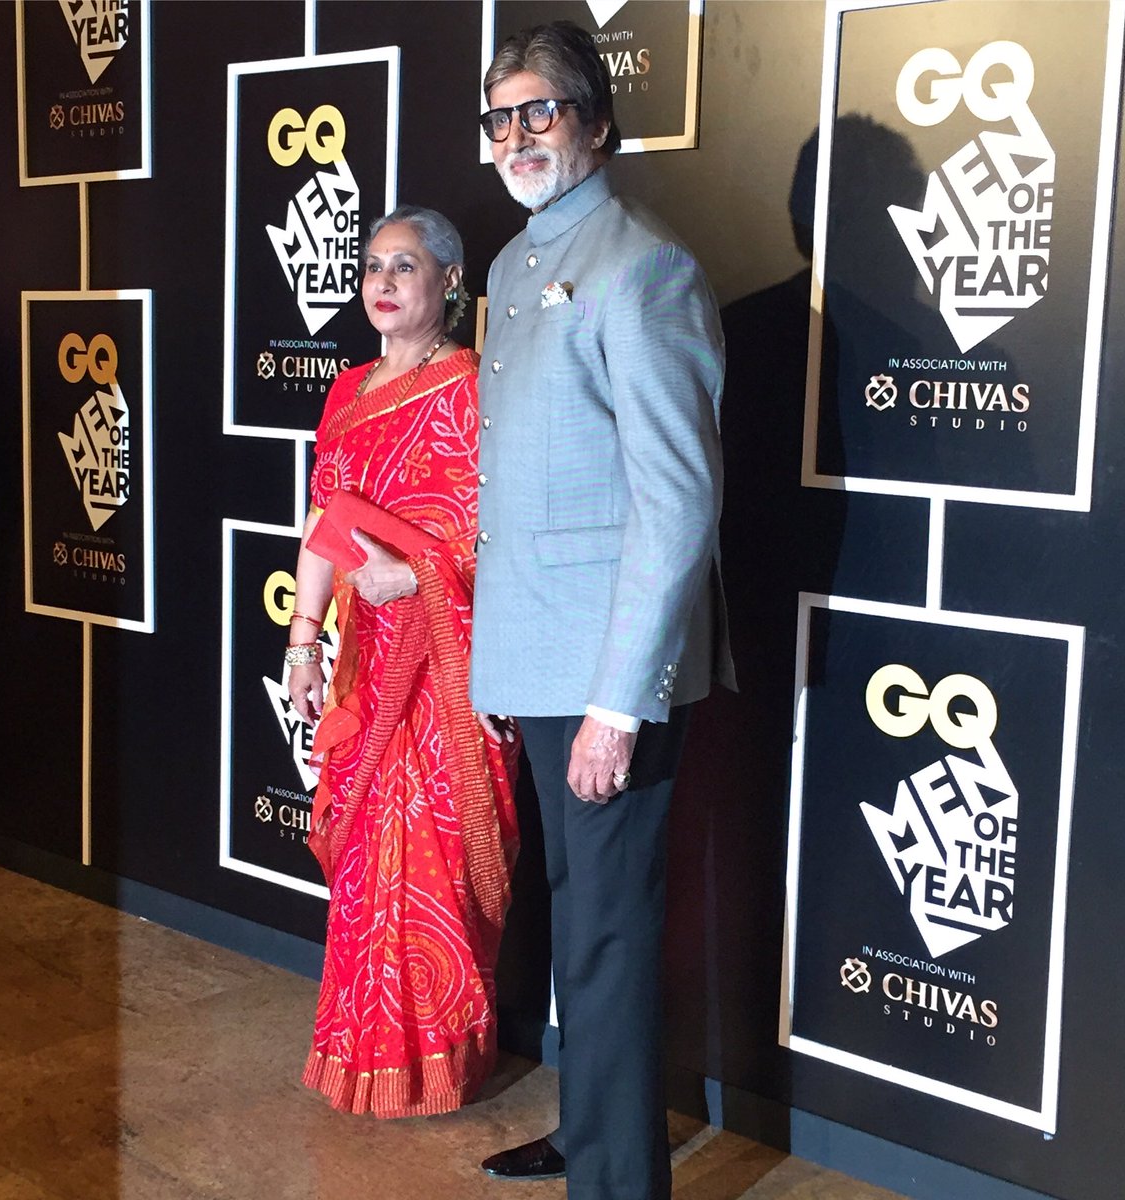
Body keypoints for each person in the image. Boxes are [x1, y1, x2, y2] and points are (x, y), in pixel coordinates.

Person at [470, 21, 733, 1200]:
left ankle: (619, 1182)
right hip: (538, 665)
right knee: (580, 926)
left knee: (612, 937)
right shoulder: (513, 264)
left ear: (596, 121)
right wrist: (500, 670)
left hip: (610, 681)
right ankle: (592, 1136)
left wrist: (618, 706)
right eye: (501, 117)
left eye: (542, 110)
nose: (518, 136)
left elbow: (675, 503)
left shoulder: (643, 265)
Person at [287, 205, 519, 1119]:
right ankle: (359, 1052)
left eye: (406, 266)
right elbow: (325, 521)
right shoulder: (347, 391)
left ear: (450, 282)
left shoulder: (471, 386)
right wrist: (303, 639)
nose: (382, 283)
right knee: (364, 862)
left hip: (446, 664)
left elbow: (497, 535)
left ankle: (437, 1068)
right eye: (372, 266)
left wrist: (415, 576)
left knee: (427, 854)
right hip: (368, 656)